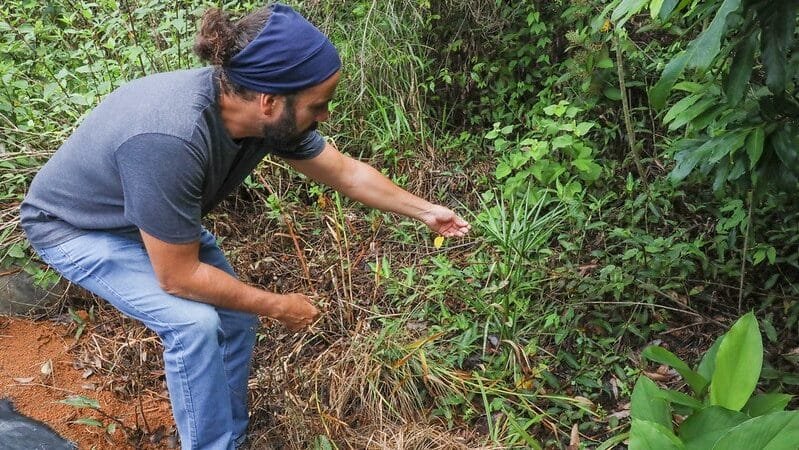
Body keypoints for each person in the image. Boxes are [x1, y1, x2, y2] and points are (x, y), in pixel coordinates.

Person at [19, 3, 470, 449]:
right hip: (77, 228)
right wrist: (278, 305)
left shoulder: (260, 113)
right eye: (319, 105)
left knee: (234, 314)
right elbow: (178, 277)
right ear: (270, 102)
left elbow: (346, 173)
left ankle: (229, 437)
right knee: (193, 324)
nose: (325, 116)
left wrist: (424, 211)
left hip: (148, 220)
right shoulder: (171, 137)